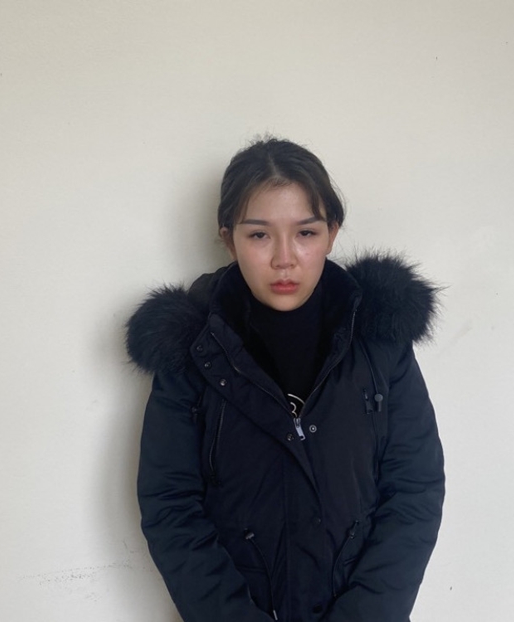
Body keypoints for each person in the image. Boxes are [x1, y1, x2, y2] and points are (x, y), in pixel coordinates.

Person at [126, 138, 444, 622]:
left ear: (332, 234)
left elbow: (415, 488)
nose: (284, 258)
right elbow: (170, 504)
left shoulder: (380, 340)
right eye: (259, 235)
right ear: (228, 238)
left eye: (306, 232)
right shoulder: (190, 349)